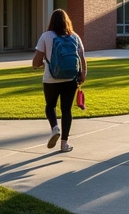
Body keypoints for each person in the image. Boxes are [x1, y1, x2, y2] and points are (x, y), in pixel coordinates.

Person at [32, 9, 87, 153]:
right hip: (70, 78)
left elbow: (35, 62)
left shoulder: (46, 36)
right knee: (66, 109)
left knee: (50, 106)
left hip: (51, 79)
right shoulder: (74, 36)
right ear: (67, 21)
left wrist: (42, 63)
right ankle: (64, 143)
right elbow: (82, 58)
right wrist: (83, 74)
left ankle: (55, 128)